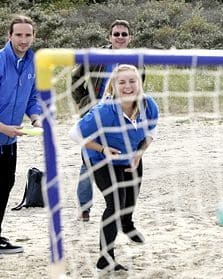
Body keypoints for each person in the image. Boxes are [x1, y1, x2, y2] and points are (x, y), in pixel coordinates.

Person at [69, 64, 158, 272]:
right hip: (100, 157)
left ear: (139, 83)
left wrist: (139, 153)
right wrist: (102, 149)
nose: (128, 86)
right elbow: (74, 134)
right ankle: (105, 258)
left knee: (130, 200)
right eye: (122, 82)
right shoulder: (104, 111)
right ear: (113, 87)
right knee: (116, 203)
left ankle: (127, 224)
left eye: (132, 81)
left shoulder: (148, 104)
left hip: (130, 155)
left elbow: (153, 130)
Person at [72, 19, 145, 222]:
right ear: (109, 37)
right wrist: (85, 104)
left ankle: (117, 206)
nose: (120, 37)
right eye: (116, 34)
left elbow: (139, 87)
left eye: (123, 34)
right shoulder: (96, 57)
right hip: (97, 114)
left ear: (130, 38)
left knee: (120, 156)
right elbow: (75, 79)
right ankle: (85, 207)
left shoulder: (136, 60)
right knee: (89, 159)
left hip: (120, 116)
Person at [0, 15, 42, 254]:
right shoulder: (0, 61)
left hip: (11, 139)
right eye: (19, 35)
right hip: (2, 132)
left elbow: (32, 98)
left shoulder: (32, 62)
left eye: (28, 35)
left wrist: (36, 117)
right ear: (9, 36)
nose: (24, 40)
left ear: (33, 36)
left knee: (6, 184)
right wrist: (3, 127)